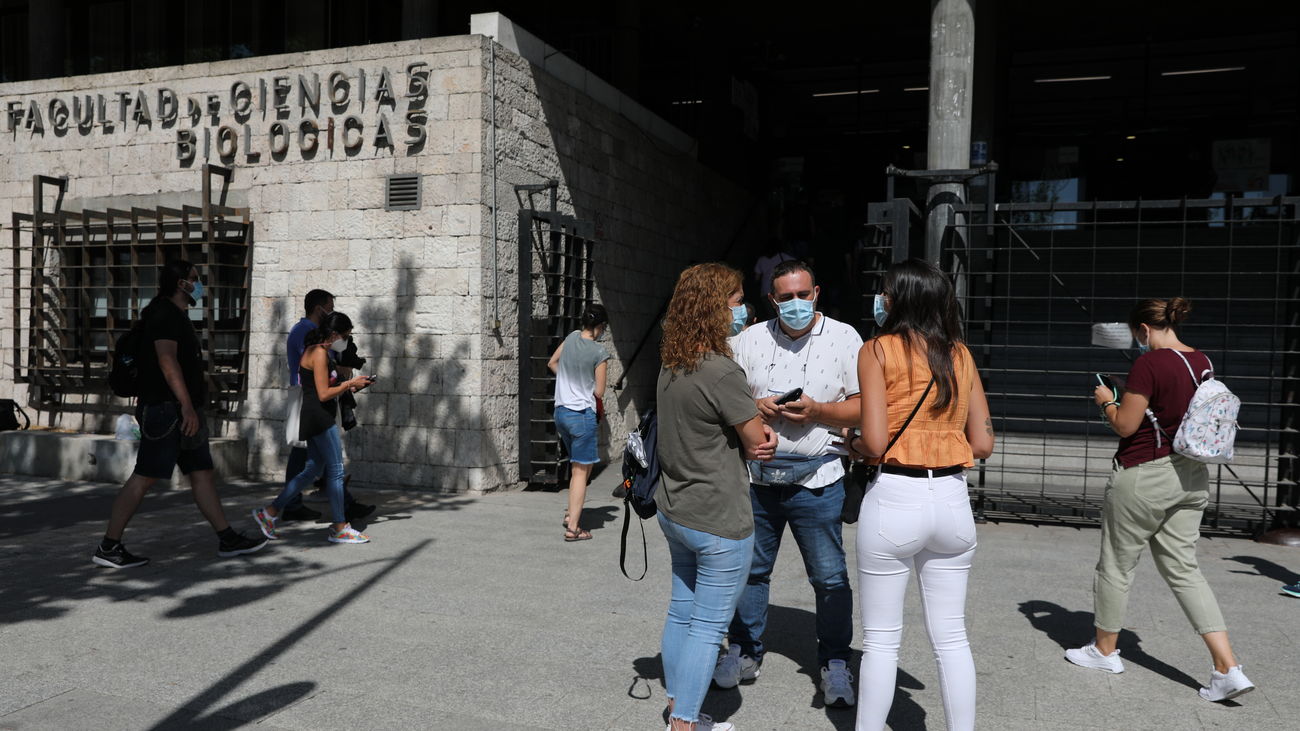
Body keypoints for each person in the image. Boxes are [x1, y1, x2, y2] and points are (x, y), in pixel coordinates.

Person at [1069, 297, 1256, 702]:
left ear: (1142, 330)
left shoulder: (1148, 364)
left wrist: (1107, 400)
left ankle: (1104, 650)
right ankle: (1227, 666)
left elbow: (1126, 425)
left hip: (1144, 474)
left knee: (1117, 566)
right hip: (1191, 475)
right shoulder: (1202, 360)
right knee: (1185, 570)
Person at [849, 259, 994, 730]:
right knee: (952, 637)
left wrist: (850, 445)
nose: (882, 300)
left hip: (895, 495)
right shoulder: (961, 354)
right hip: (951, 497)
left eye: (887, 292)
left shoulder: (878, 350)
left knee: (881, 641)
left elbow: (872, 442)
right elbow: (984, 443)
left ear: (902, 298)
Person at [714, 260, 862, 708]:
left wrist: (818, 412)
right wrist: (756, 406)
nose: (795, 304)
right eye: (785, 297)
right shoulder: (746, 341)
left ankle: (835, 661)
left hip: (817, 479)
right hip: (757, 479)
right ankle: (744, 650)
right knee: (751, 571)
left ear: (816, 292)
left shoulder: (845, 337)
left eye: (802, 294)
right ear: (772, 300)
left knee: (830, 576)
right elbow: (726, 400)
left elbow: (861, 407)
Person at [656, 262, 778, 731]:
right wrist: (761, 428)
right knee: (709, 628)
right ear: (713, 309)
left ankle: (676, 705)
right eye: (736, 302)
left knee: (681, 611)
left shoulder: (673, 362)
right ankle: (685, 723)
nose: (743, 310)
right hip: (719, 518)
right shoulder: (723, 370)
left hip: (677, 509)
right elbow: (756, 442)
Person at [92, 260, 268, 568]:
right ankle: (108, 546)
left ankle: (227, 538)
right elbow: (166, 360)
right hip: (166, 410)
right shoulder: (165, 315)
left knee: (201, 473)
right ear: (181, 284)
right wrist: (186, 406)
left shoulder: (175, 316)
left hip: (181, 410)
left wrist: (191, 407)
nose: (199, 285)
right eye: (195, 279)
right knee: (144, 477)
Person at [253, 312, 375, 544]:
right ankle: (340, 527)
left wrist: (349, 387)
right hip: (320, 418)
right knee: (337, 471)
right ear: (334, 334)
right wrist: (349, 382)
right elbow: (322, 393)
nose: (346, 341)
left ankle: (269, 512)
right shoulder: (318, 353)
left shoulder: (315, 350)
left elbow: (323, 386)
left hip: (315, 415)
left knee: (310, 470)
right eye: (346, 336)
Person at [282, 289, 373, 522]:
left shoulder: (310, 334)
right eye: (329, 307)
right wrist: (345, 377)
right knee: (315, 462)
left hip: (315, 398)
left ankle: (280, 508)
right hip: (311, 398)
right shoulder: (306, 334)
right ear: (318, 308)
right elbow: (317, 373)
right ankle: (337, 514)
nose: (331, 312)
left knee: (313, 464)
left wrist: (347, 382)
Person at [548, 304, 611, 542]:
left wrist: (568, 381)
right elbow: (600, 390)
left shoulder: (572, 337)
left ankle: (570, 511)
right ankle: (573, 527)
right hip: (582, 414)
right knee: (580, 470)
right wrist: (582, 384)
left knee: (580, 465)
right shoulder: (599, 352)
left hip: (561, 412)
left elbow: (552, 363)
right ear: (599, 327)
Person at [752, 238, 794, 304]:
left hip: (765, 291)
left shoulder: (761, 260)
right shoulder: (783, 256)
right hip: (781, 289)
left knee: (770, 313)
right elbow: (796, 264)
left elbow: (757, 278)